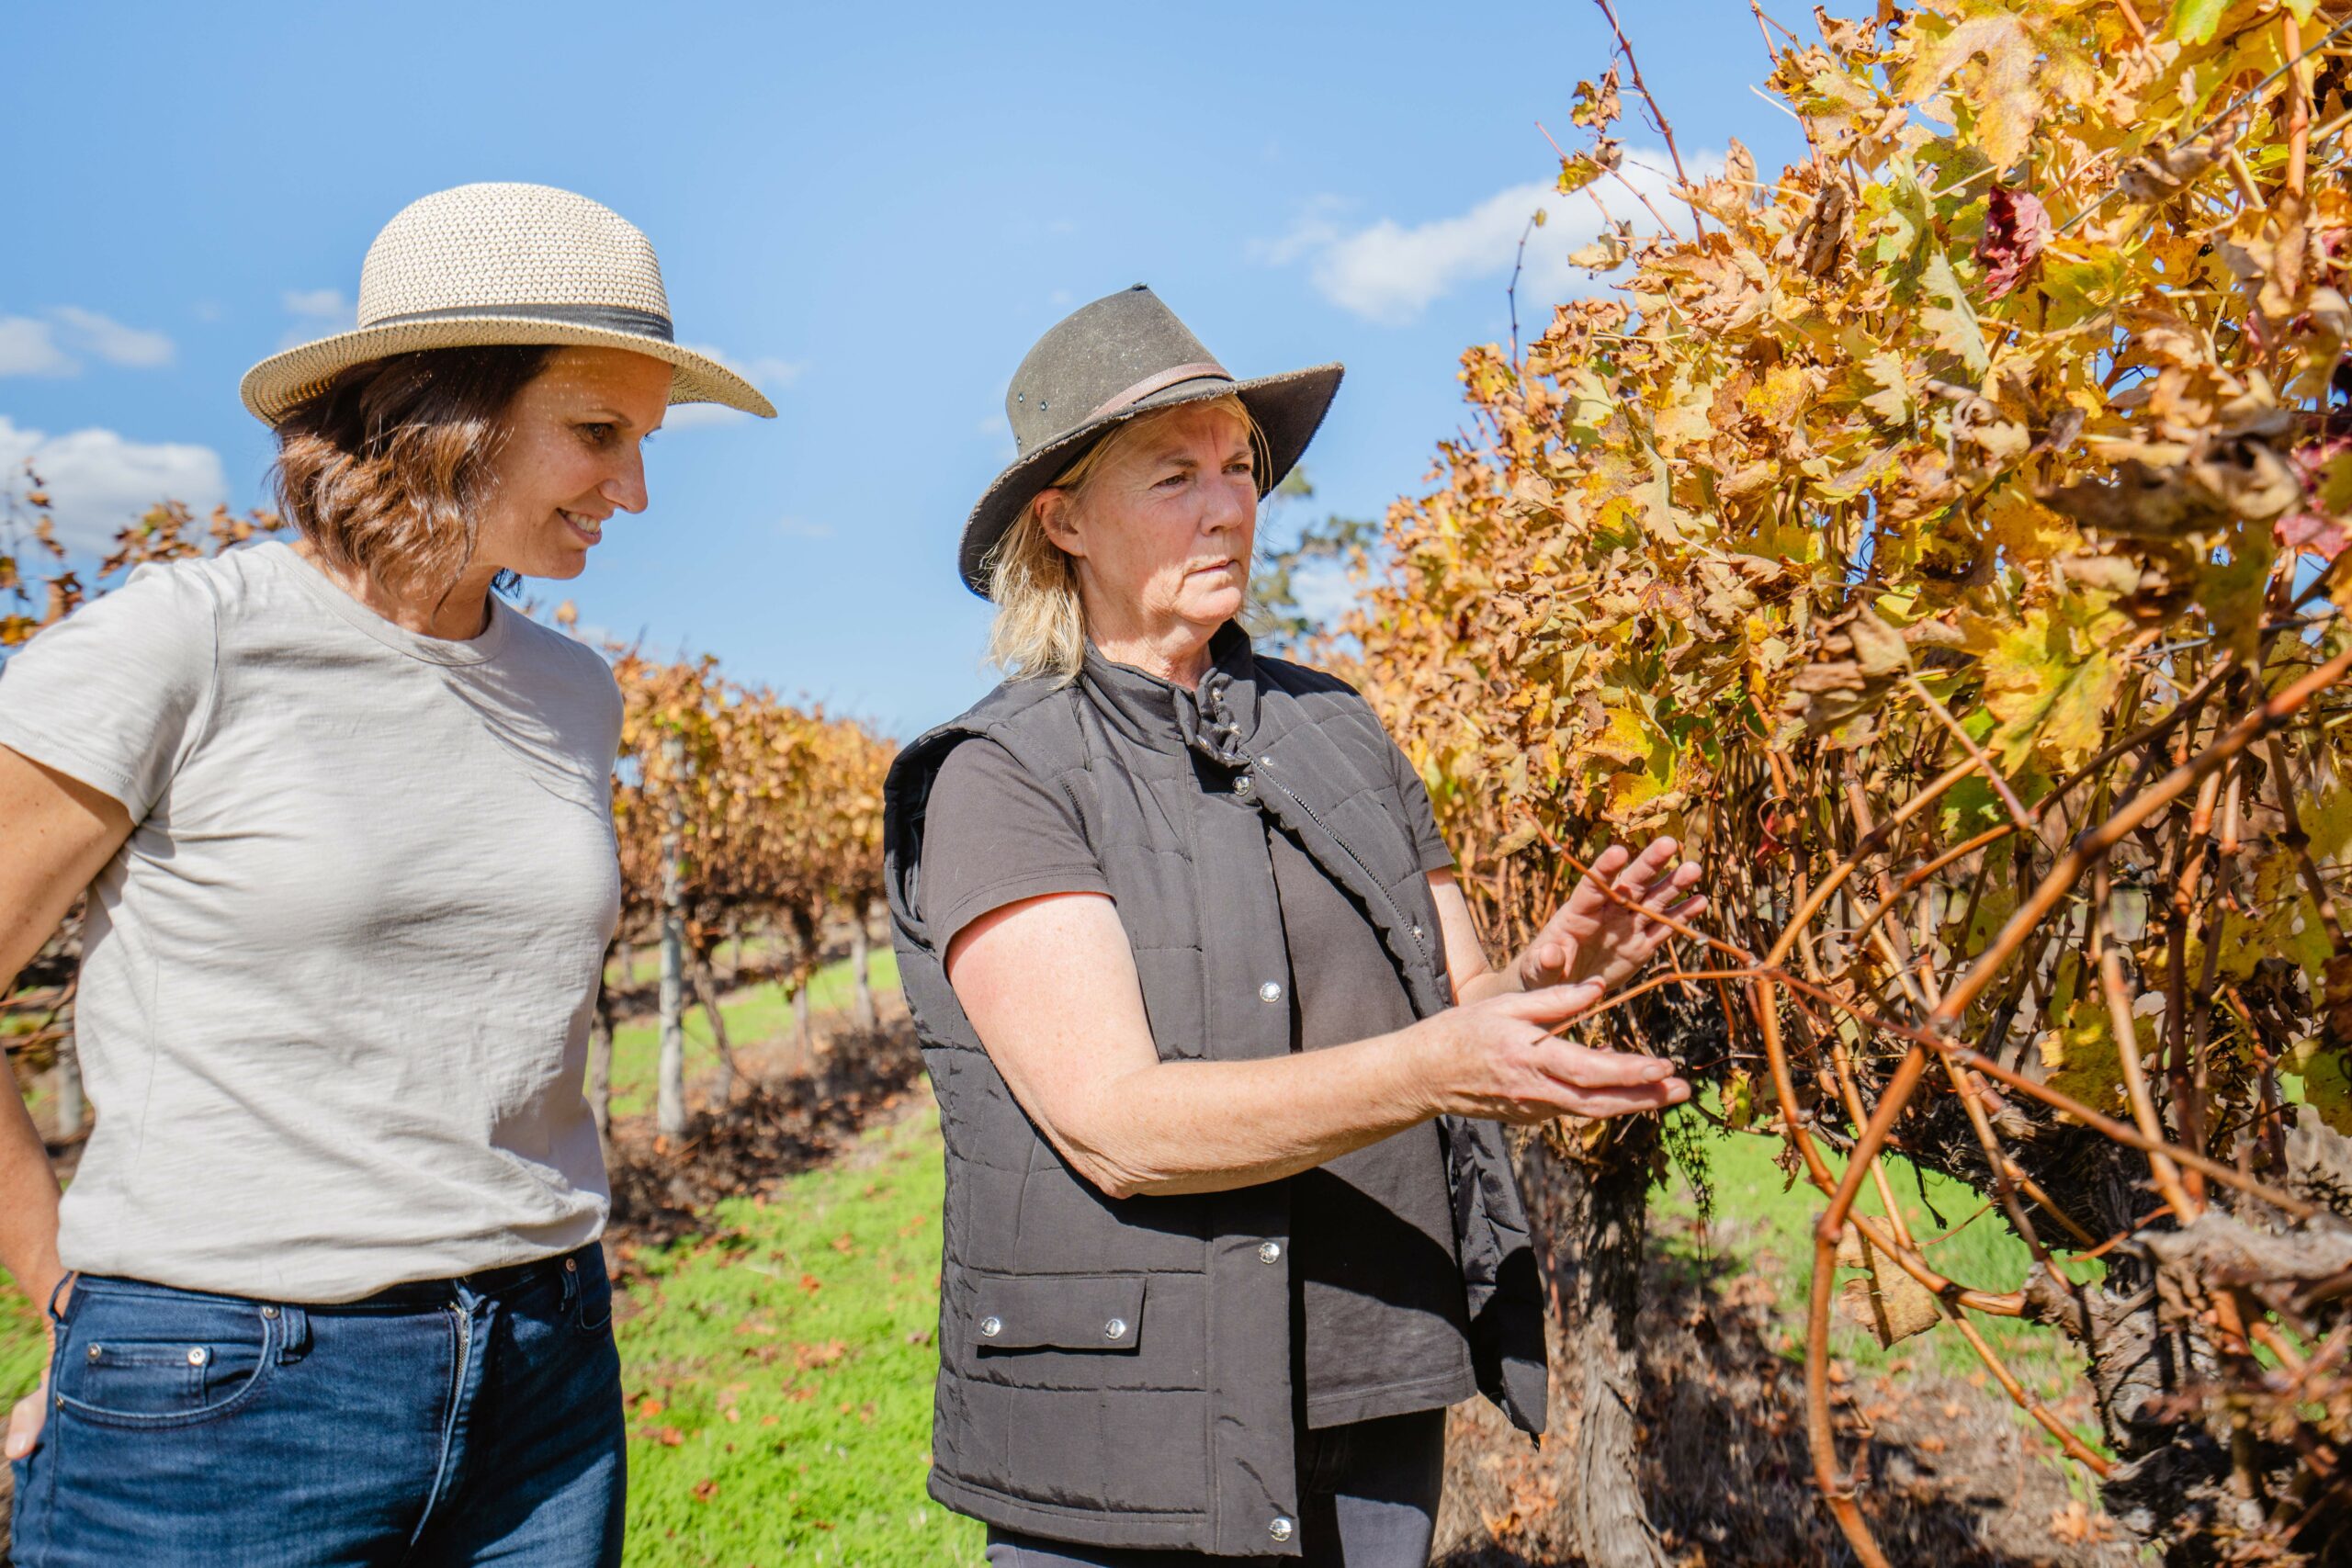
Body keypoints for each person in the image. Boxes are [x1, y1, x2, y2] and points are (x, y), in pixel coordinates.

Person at [0, 182, 774, 1566]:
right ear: (440, 416)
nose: (636, 489)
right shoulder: (182, 644)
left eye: (645, 442)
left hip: (542, 1367)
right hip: (227, 1385)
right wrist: (69, 1291)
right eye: (598, 433)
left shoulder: (572, 690)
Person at [883, 285, 1702, 1566]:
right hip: (1126, 1432)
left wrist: (1543, 980)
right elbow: (1117, 1127)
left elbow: (1458, 1012)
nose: (1227, 505)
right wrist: (1439, 1066)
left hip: (1371, 1374)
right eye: (1173, 476)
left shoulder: (1339, 729)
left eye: (1237, 468)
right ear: (1065, 522)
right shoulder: (1005, 774)